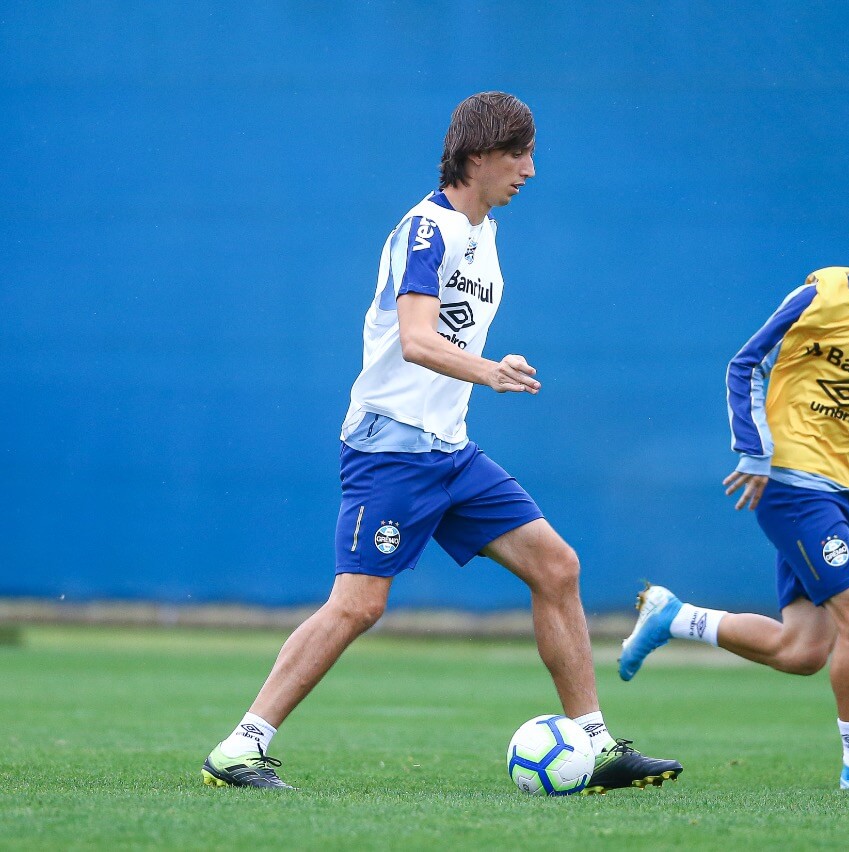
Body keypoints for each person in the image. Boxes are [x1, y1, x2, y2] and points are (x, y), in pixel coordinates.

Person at [201, 92, 682, 793]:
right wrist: (492, 371)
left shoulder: (483, 232)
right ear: (478, 156)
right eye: (519, 155)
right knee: (358, 605)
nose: (530, 170)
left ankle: (596, 745)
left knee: (557, 566)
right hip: (391, 449)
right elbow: (418, 340)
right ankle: (239, 748)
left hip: (448, 450)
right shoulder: (427, 231)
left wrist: (486, 373)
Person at [618, 186, 849, 791]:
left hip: (843, 493)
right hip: (790, 484)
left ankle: (676, 617)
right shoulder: (820, 295)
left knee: (803, 650)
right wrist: (756, 452)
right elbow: (745, 364)